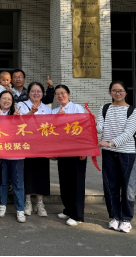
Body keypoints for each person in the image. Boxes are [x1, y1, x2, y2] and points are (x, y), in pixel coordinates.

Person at [97, 81, 136, 234]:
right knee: (110, 186)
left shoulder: (133, 111)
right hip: (108, 153)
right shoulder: (104, 108)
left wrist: (110, 142)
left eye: (120, 90)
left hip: (127, 153)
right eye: (114, 90)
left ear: (126, 92)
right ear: (110, 92)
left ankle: (126, 219)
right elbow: (99, 128)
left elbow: (129, 133)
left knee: (128, 187)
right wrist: (89, 120)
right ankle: (114, 217)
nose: (117, 93)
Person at [52, 85, 87, 228]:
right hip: (62, 150)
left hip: (77, 150)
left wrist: (84, 149)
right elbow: (51, 131)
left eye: (63, 93)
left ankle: (77, 215)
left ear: (69, 94)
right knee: (65, 181)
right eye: (57, 94)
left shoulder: (77, 108)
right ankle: (68, 209)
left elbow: (83, 128)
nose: (60, 96)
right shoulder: (54, 111)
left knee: (76, 182)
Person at [16, 82, 52, 218]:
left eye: (39, 91)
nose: (36, 94)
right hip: (26, 145)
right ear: (28, 93)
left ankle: (40, 203)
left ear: (42, 93)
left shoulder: (47, 108)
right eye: (33, 91)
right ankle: (28, 202)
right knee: (27, 172)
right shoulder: (21, 104)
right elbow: (18, 123)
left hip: (42, 146)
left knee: (41, 173)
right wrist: (31, 112)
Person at [0, 91, 27, 224]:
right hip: (1, 154)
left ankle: (20, 209)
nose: (6, 101)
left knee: (18, 183)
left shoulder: (18, 113)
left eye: (9, 99)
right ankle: (2, 204)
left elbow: (25, 129)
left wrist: (17, 119)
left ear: (12, 102)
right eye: (4, 98)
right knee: (3, 181)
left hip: (17, 154)